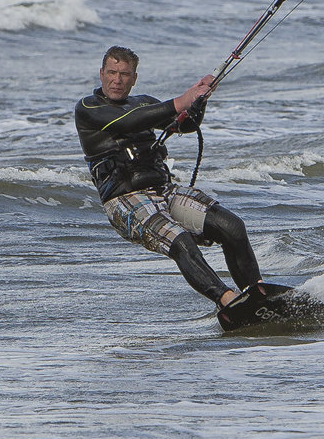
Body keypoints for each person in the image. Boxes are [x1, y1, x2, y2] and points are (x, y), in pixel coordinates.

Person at [75, 45, 262, 309]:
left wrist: (200, 98)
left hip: (164, 192)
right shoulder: (88, 108)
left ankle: (259, 295)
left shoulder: (144, 102)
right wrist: (182, 100)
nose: (117, 80)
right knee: (180, 241)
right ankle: (228, 301)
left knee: (232, 227)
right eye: (112, 72)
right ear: (102, 73)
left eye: (125, 74)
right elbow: (127, 122)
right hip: (125, 200)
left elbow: (186, 124)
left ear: (134, 78)